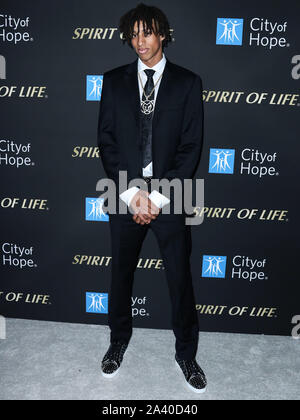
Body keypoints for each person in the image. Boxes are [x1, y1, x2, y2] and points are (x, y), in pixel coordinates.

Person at [97, 3, 206, 393]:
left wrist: (156, 198)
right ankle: (117, 343)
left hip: (171, 196)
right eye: (133, 33)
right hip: (124, 193)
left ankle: (187, 354)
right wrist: (132, 195)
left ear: (163, 34)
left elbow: (191, 147)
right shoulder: (112, 81)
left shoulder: (187, 82)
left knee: (180, 279)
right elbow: (107, 143)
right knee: (120, 276)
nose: (139, 41)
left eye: (147, 32)